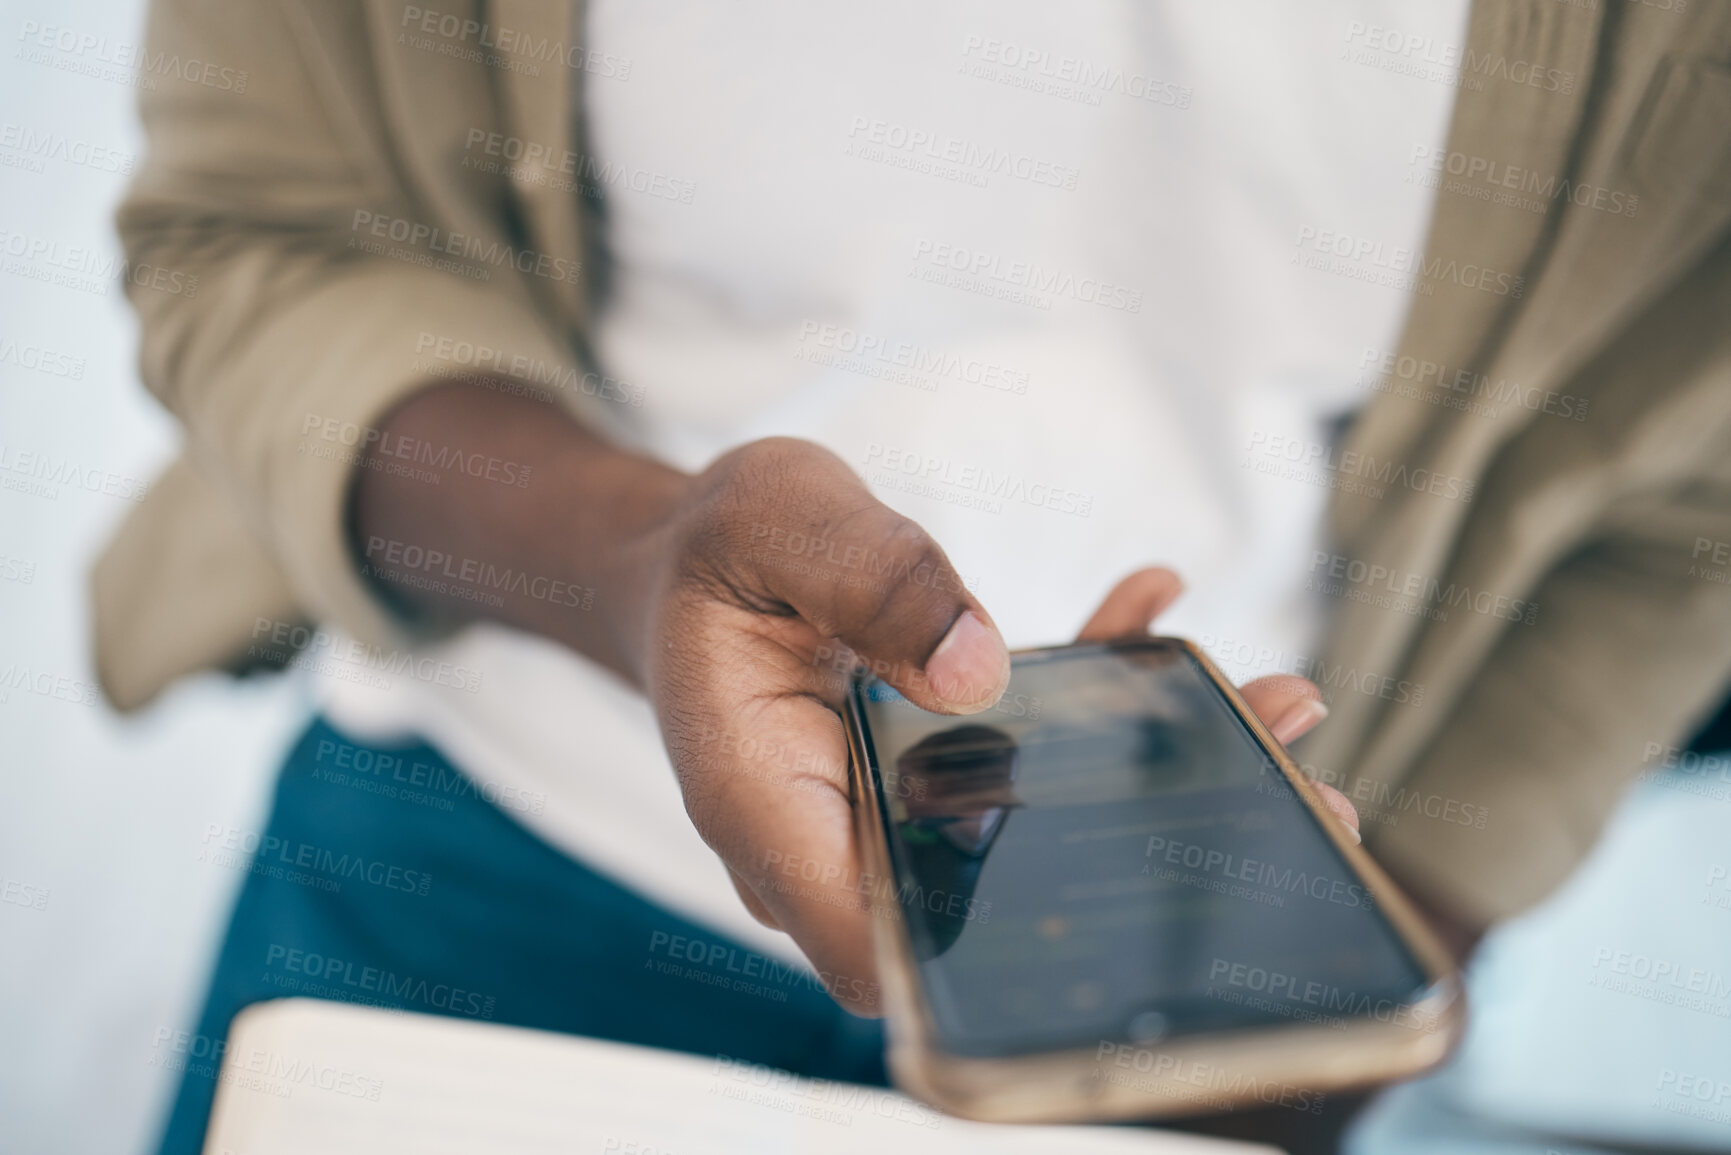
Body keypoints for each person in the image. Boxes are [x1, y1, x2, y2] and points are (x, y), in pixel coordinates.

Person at [94, 2, 1731, 1152]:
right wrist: (640, 557)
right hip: (475, 861)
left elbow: (1691, 490)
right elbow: (261, 228)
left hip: (1191, 958)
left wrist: (1386, 955)